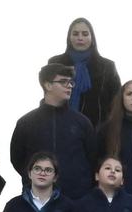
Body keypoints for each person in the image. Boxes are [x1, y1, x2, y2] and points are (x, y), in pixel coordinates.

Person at [11, 63, 97, 200]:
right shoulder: (26, 122)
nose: (69, 86)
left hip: (76, 198)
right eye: (63, 82)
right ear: (48, 85)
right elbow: (17, 159)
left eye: (70, 82)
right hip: (38, 199)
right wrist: (36, 179)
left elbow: (93, 158)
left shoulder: (82, 122)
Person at [52, 17, 120, 127]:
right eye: (75, 34)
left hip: (96, 128)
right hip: (60, 126)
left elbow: (116, 100)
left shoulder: (107, 66)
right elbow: (48, 96)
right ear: (69, 38)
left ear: (92, 38)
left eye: (85, 34)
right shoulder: (56, 63)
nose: (80, 38)